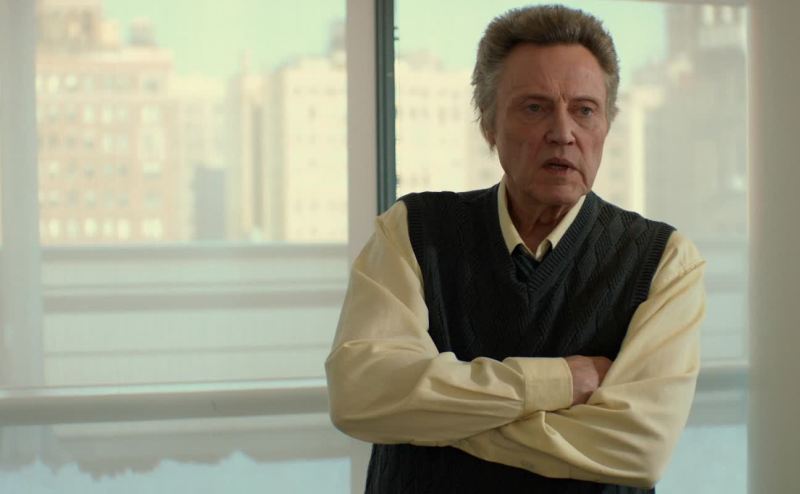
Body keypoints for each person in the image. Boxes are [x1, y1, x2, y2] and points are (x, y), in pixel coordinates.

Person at [326, 5, 706, 493]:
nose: (563, 133)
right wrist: (558, 383)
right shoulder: (414, 232)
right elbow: (359, 393)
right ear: (488, 124)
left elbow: (638, 447)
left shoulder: (664, 262)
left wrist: (435, 420)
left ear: (607, 126)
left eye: (584, 110)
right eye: (535, 107)